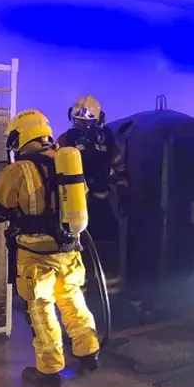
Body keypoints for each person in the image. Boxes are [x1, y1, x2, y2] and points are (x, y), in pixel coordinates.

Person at [0, 109, 100, 387]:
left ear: (21, 136)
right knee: (73, 300)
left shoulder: (18, 169)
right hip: (70, 248)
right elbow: (80, 197)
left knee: (42, 308)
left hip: (36, 255)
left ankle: (49, 370)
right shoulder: (66, 162)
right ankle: (88, 352)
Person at [57, 95, 129, 278]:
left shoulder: (108, 139)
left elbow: (120, 167)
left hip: (103, 201)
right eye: (78, 122)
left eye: (86, 123)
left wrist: (124, 192)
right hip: (75, 203)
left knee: (108, 241)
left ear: (98, 121)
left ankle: (108, 285)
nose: (81, 128)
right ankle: (82, 285)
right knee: (77, 242)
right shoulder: (66, 140)